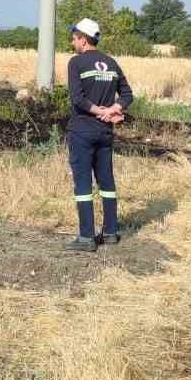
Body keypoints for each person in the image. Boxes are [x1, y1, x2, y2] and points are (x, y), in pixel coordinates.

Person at [63, 17, 134, 253]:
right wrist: (114, 109)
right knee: (107, 181)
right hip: (105, 132)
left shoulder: (76, 63)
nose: (73, 42)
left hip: (82, 130)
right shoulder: (111, 63)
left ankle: (86, 237)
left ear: (83, 40)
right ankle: (111, 232)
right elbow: (127, 95)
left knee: (83, 183)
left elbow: (78, 99)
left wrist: (99, 110)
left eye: (74, 38)